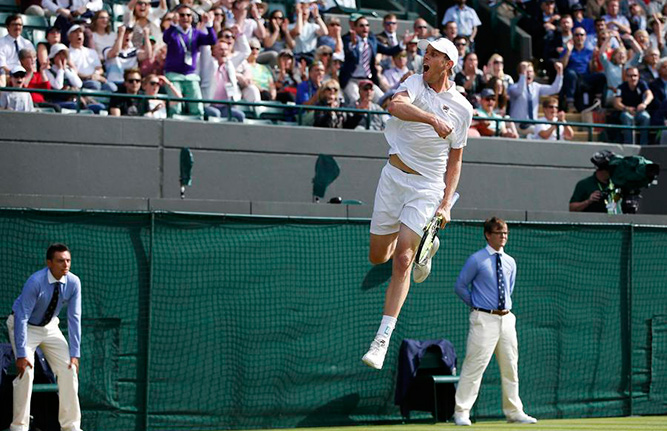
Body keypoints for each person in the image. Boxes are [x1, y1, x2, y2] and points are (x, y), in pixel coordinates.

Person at [361, 38, 472, 370]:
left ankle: (381, 339)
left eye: (435, 54)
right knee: (379, 256)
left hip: (427, 186)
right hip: (393, 178)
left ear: (447, 64)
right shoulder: (413, 83)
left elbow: (456, 161)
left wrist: (446, 204)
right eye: (427, 52)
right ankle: (427, 243)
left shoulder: (463, 109)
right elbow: (395, 106)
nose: (427, 56)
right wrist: (432, 120)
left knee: (403, 259)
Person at [451, 217, 537, 427]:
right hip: (483, 319)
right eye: (499, 233)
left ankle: (514, 412)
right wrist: (477, 303)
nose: (503, 236)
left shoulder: (510, 262)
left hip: (506, 319)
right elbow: (460, 285)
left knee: (510, 367)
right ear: (488, 235)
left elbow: (509, 288)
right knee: (474, 366)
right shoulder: (476, 259)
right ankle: (461, 412)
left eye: (505, 233)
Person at [6, 244, 83, 431]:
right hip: (24, 326)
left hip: (50, 327)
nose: (65, 265)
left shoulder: (74, 282)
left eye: (68, 260)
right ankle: (19, 427)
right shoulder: (35, 282)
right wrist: (22, 354)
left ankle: (71, 427)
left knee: (69, 369)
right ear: (49, 263)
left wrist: (75, 354)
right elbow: (22, 317)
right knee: (26, 372)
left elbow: (74, 318)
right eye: (60, 261)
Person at [163, 4, 217, 115]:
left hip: (190, 75)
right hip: (173, 75)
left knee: (197, 106)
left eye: (188, 15)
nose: (185, 18)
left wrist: (209, 24)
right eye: (182, 15)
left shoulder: (196, 33)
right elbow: (166, 38)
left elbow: (212, 40)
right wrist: (173, 24)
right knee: (176, 107)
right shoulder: (173, 32)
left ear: (192, 18)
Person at [613, 66, 653, 145]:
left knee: (646, 117)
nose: (633, 78)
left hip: (639, 111)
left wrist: (644, 104)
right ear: (626, 77)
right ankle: (629, 144)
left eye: (635, 76)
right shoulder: (621, 87)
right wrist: (626, 108)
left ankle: (644, 145)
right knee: (627, 117)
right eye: (630, 76)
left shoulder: (642, 84)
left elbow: (650, 95)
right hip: (626, 111)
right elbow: (616, 103)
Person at [0, 15, 35, 87]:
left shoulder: (27, 43)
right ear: (8, 27)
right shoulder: (1, 43)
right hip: (8, 76)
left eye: (20, 25)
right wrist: (15, 75)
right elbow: (2, 66)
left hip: (26, 76)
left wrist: (23, 76)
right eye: (14, 24)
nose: (17, 27)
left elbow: (33, 65)